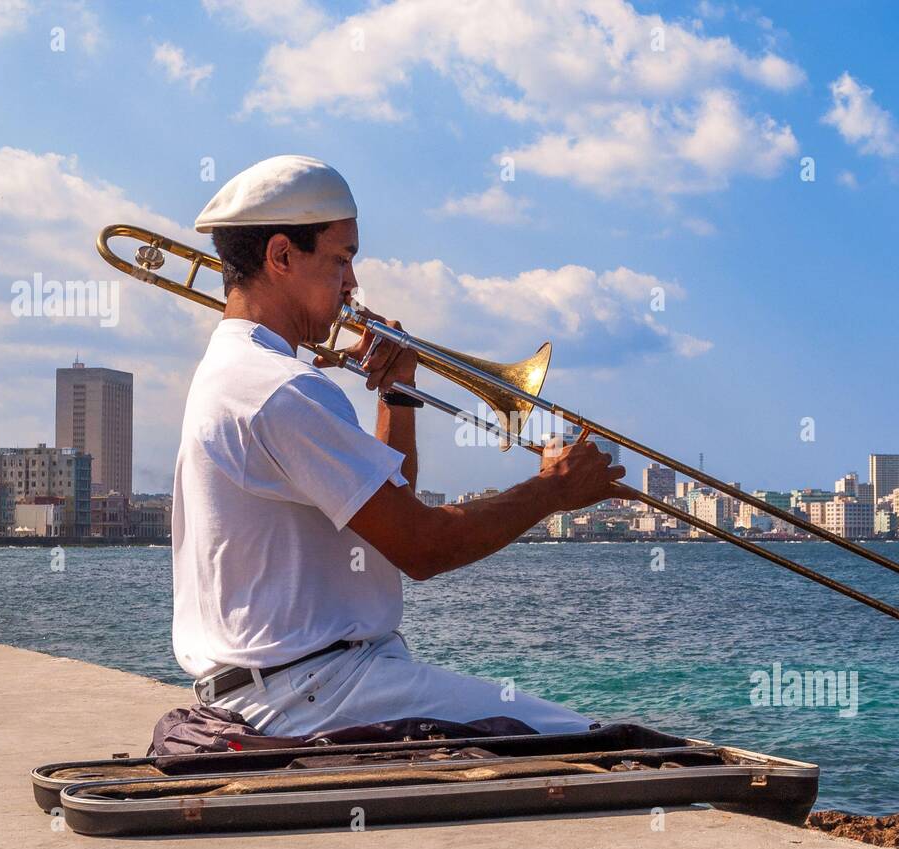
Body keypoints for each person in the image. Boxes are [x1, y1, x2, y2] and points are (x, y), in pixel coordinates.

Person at [172, 155, 629, 741]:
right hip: (315, 691)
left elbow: (387, 524)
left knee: (571, 734)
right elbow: (422, 548)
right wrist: (553, 489)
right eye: (341, 260)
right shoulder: (280, 388)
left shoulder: (234, 372)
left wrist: (399, 396)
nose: (352, 283)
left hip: (298, 685)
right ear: (282, 256)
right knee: (587, 738)